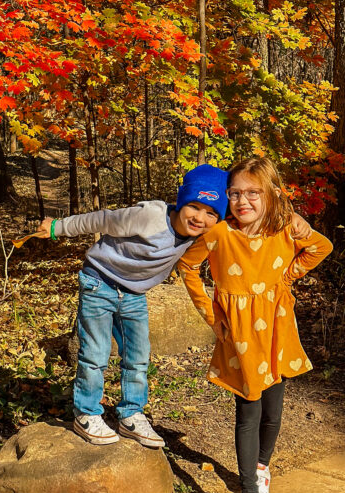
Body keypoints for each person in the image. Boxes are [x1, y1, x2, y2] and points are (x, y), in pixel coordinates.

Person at [177, 156, 332, 493]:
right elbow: (187, 267)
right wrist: (212, 318)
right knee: (249, 409)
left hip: (277, 329)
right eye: (235, 194)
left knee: (273, 410)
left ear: (272, 195)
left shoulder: (285, 230)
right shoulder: (220, 234)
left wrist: (287, 275)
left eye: (252, 193)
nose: (242, 201)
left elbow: (321, 247)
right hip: (241, 335)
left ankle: (261, 467)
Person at [36, 164, 229, 448]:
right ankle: (86, 413)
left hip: (133, 294)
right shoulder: (149, 216)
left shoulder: (200, 237)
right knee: (96, 353)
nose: (200, 218)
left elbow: (244, 224)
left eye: (211, 213)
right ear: (183, 200)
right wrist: (57, 227)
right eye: (195, 207)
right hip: (99, 282)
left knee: (138, 356)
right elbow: (101, 220)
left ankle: (131, 414)